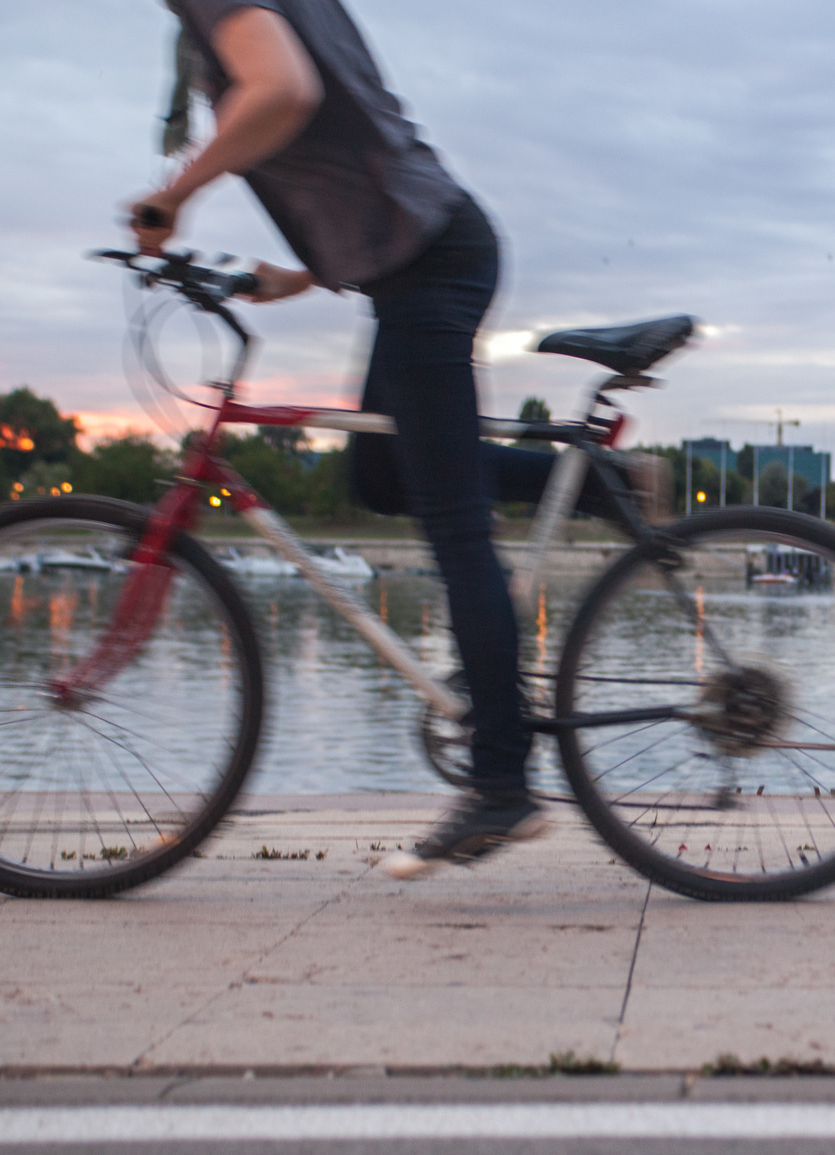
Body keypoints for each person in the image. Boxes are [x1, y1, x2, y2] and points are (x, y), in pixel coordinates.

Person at [131, 0, 573, 879]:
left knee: (455, 527)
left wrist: (174, 192)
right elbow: (352, 142)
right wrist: (291, 275)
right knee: (380, 473)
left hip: (433, 265)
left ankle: (501, 784)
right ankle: (596, 484)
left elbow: (284, 94)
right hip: (416, 260)